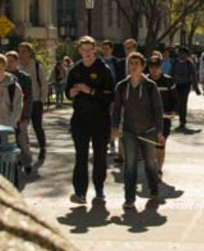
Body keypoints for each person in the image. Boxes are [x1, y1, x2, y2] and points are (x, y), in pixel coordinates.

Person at [111, 52, 165, 211]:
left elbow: (158, 109)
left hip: (148, 130)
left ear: (142, 67)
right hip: (129, 132)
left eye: (136, 63)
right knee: (130, 165)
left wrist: (159, 132)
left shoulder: (150, 86)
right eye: (131, 63)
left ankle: (153, 189)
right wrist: (115, 127)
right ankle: (129, 198)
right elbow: (116, 110)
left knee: (150, 163)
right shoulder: (121, 86)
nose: (133, 66)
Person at [66, 37, 115, 204]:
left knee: (99, 156)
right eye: (83, 50)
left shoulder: (103, 69)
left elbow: (110, 96)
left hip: (100, 120)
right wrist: (71, 92)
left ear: (95, 50)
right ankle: (80, 192)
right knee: (81, 156)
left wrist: (91, 91)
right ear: (79, 50)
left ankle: (99, 189)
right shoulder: (75, 70)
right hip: (80, 120)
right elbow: (67, 91)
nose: (86, 53)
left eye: (89, 50)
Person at [18, 42, 49, 160]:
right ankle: (25, 150)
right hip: (21, 102)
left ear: (29, 53)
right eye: (19, 51)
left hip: (35, 101)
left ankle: (43, 148)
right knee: (21, 128)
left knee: (37, 126)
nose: (21, 54)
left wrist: (42, 100)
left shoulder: (36, 66)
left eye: (24, 51)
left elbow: (44, 84)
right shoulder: (17, 66)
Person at [147, 53, 177, 176]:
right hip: (147, 120)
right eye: (152, 67)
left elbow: (175, 99)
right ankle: (151, 167)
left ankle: (158, 169)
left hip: (164, 119)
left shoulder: (168, 81)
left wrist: (173, 112)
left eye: (157, 67)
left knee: (160, 144)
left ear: (161, 67)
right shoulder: (144, 81)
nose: (154, 70)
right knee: (149, 146)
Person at [4, 51, 36, 164]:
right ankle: (13, 161)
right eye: (6, 62)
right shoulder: (2, 77)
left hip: (22, 114)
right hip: (6, 114)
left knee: (22, 138)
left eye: (11, 61)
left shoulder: (24, 78)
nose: (9, 64)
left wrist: (26, 115)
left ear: (17, 62)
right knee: (9, 139)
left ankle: (27, 160)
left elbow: (28, 98)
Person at [171, 47, 199, 132]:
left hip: (185, 85)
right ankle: (180, 117)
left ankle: (182, 120)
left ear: (187, 55)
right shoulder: (175, 62)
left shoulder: (189, 63)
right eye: (180, 53)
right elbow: (171, 73)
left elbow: (193, 75)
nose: (182, 55)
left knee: (183, 102)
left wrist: (196, 87)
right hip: (176, 84)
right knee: (177, 102)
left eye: (184, 53)